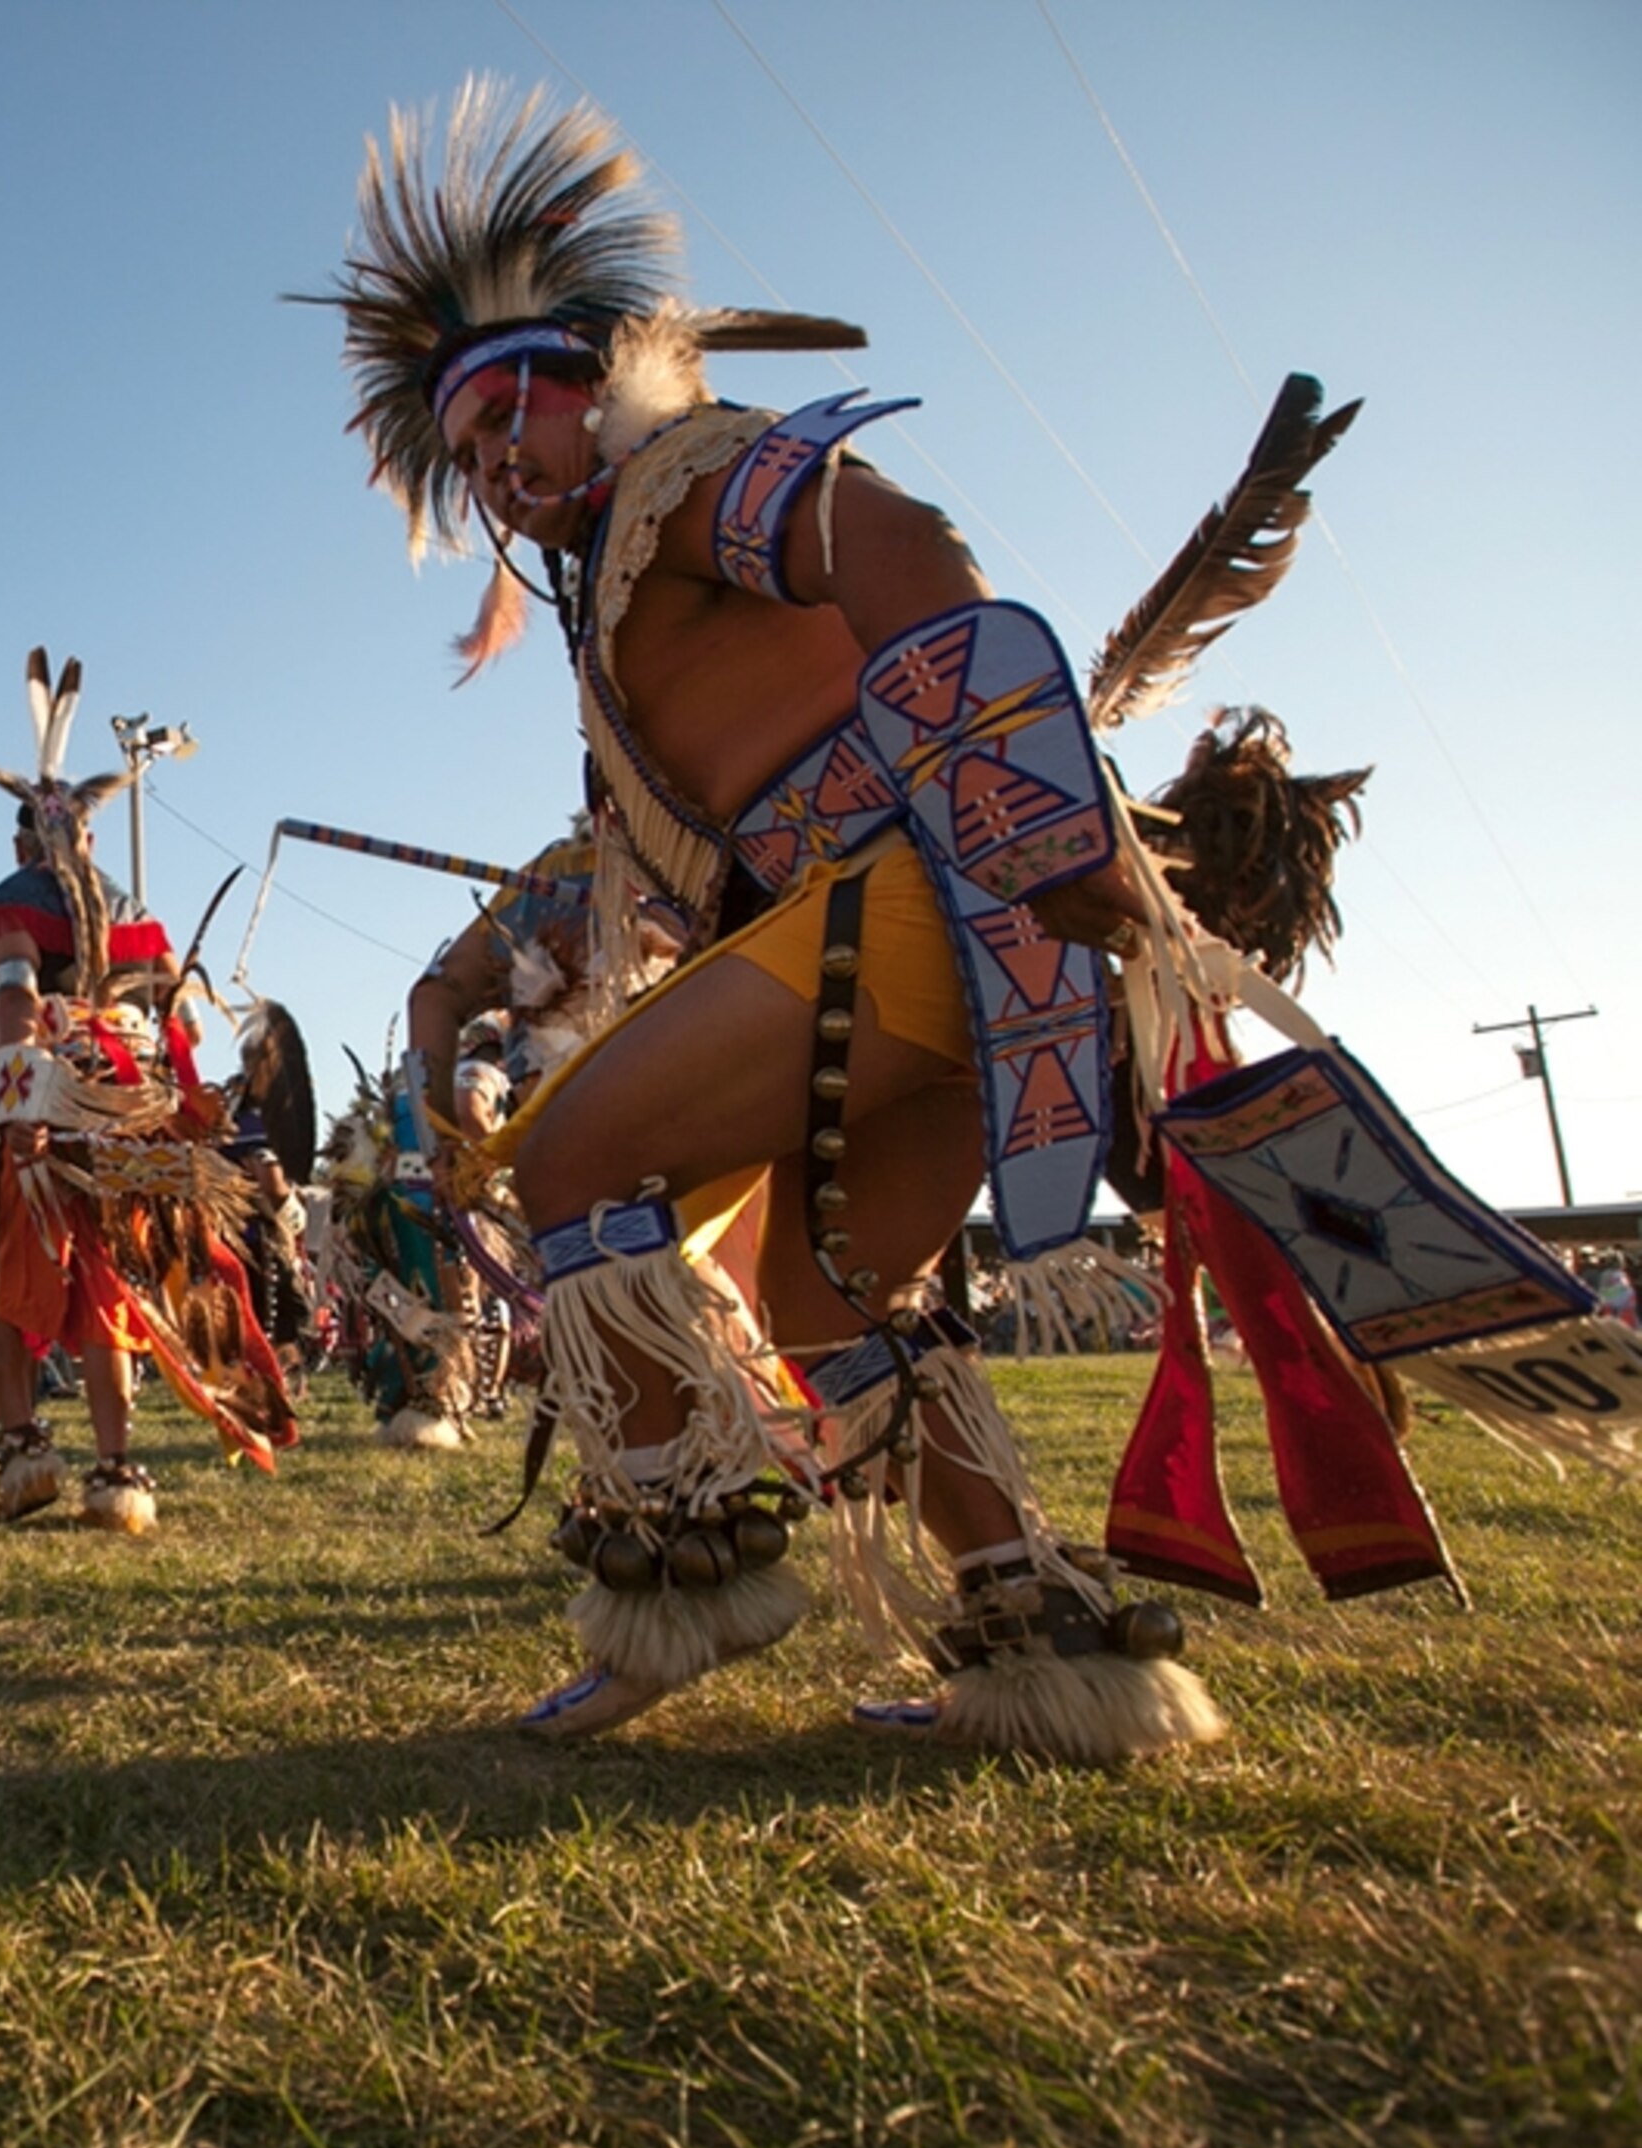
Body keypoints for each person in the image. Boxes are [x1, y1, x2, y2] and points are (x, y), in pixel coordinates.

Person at [315, 84, 1218, 1758]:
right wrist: (447, 1012)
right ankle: (1057, 1663)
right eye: (465, 452)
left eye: (513, 410)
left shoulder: (693, 478)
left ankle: (671, 1591)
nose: (497, 464)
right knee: (827, 1305)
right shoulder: (624, 621)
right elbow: (608, 881)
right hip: (914, 955)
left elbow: (903, 547)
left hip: (905, 917)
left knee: (577, 1160)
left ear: (595, 378)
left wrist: (1023, 817)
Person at [0, 650, 296, 1532]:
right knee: (108, 1293)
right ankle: (118, 1476)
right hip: (129, 1129)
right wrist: (189, 1119)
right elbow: (171, 1036)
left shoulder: (13, 906)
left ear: (25, 841)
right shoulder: (133, 915)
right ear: (89, 837)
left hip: (48, 1116)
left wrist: (24, 1102)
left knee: (10, 1282)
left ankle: (27, 1451)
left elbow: (13, 998)